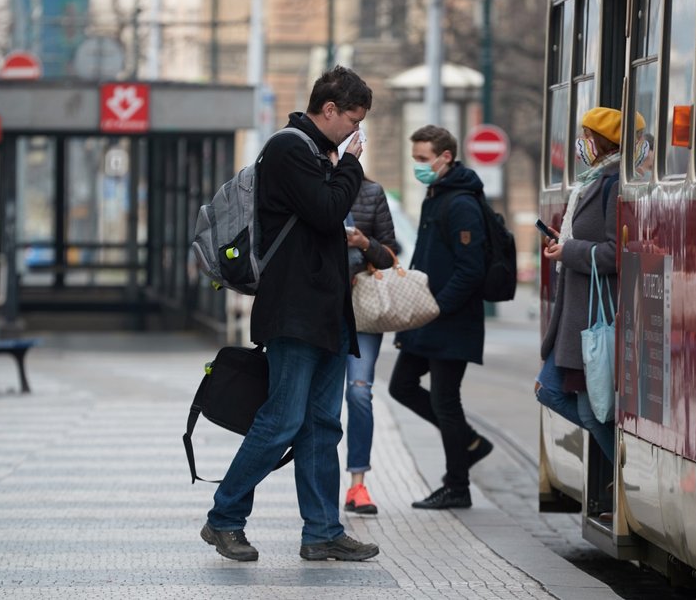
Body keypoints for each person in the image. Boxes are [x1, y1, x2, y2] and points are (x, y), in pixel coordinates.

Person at [200, 65, 379, 563]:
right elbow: (327, 209)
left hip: (325, 312)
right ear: (328, 110)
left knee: (322, 424)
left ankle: (321, 531)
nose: (355, 132)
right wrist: (351, 165)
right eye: (352, 120)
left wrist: (340, 165)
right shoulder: (288, 148)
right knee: (280, 420)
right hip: (294, 311)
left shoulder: (316, 152)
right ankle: (224, 519)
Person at [388, 124, 494, 510]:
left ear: (445, 157)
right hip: (429, 316)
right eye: (414, 158)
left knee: (446, 400)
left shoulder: (461, 203)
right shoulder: (437, 194)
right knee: (401, 384)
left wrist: (439, 306)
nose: (418, 166)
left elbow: (471, 269)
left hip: (449, 318)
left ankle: (457, 485)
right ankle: (470, 442)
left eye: (422, 159)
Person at [534, 106, 619, 467]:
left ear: (601, 142)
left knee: (589, 412)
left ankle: (623, 473)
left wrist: (568, 250)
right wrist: (564, 243)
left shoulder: (612, 183)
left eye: (586, 136)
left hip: (593, 316)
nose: (581, 144)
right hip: (576, 315)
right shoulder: (593, 180)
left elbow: (617, 254)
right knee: (549, 390)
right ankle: (620, 471)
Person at [342, 179, 398, 514]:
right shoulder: (308, 181)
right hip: (321, 307)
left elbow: (390, 254)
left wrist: (364, 243)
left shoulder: (371, 192)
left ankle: (357, 485)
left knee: (360, 392)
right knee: (322, 400)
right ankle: (318, 486)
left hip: (362, 308)